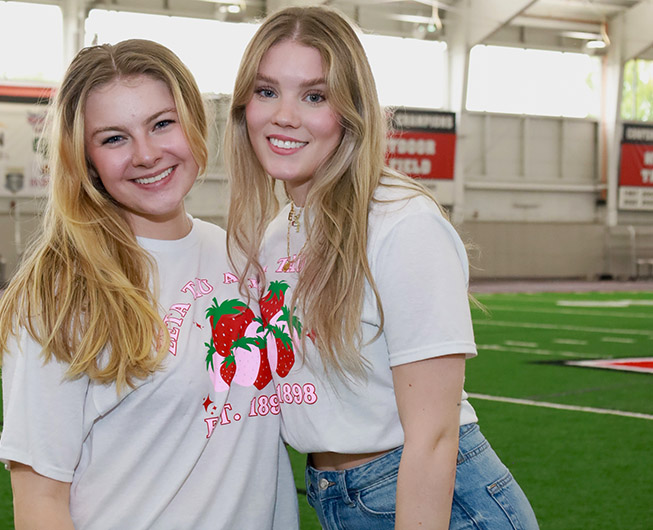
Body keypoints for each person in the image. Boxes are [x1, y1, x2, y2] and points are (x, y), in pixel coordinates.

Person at [224, 6, 539, 530]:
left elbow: (434, 438)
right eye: (266, 91)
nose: (284, 115)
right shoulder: (279, 230)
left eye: (314, 96)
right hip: (335, 495)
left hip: (439, 501)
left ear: (350, 111)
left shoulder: (402, 224)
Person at [0, 39, 298, 530]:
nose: (147, 154)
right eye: (113, 138)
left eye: (162, 123)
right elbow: (40, 500)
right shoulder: (63, 292)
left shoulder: (244, 258)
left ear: (194, 121)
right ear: (84, 158)